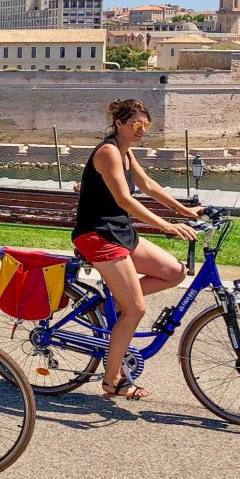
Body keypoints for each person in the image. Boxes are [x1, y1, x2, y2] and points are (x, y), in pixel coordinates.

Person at [72, 98, 201, 400]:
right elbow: (125, 200)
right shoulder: (107, 152)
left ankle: (112, 307)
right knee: (137, 308)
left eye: (146, 124)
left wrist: (184, 211)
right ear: (119, 123)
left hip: (120, 232)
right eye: (137, 124)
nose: (143, 129)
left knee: (174, 271)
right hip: (98, 235)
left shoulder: (126, 152)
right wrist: (166, 226)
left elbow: (149, 186)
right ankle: (112, 380)